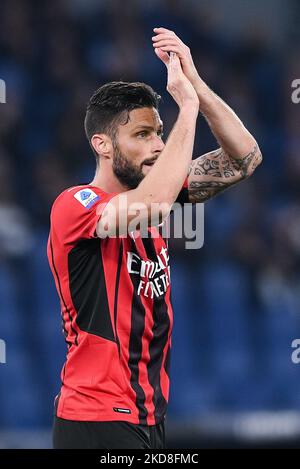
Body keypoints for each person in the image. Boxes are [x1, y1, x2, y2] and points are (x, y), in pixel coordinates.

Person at [47, 27, 262, 449]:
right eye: (143, 135)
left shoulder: (152, 194)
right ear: (103, 145)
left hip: (147, 417)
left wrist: (196, 86)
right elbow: (156, 204)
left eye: (159, 132)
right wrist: (186, 108)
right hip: (95, 419)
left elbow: (244, 158)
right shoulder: (75, 206)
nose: (158, 145)